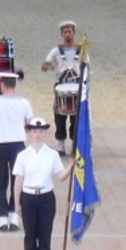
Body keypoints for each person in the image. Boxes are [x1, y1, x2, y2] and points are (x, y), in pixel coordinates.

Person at [13, 117, 74, 250]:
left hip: (46, 197)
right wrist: (16, 202)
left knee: (45, 232)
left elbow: (60, 176)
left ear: (45, 133)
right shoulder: (23, 156)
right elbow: (18, 180)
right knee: (30, 232)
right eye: (34, 131)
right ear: (30, 133)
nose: (38, 134)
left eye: (40, 131)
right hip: (28, 197)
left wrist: (70, 167)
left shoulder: (52, 154)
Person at [0, 71, 34, 232]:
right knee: (17, 181)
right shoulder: (24, 103)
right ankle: (14, 216)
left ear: (2, 84)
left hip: (0, 145)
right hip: (18, 145)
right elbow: (29, 125)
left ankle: (2, 218)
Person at [41, 20, 82, 156]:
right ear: (61, 34)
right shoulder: (55, 51)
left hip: (77, 87)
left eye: (70, 31)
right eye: (65, 32)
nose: (68, 34)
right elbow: (45, 65)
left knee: (76, 118)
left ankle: (75, 144)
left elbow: (87, 67)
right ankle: (61, 146)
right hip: (61, 85)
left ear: (74, 33)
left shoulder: (82, 50)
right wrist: (48, 66)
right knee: (60, 117)